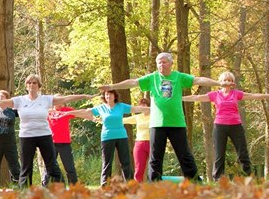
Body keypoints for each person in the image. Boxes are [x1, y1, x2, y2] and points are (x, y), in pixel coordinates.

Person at [99, 52, 223, 182]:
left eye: (164, 62)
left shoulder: (179, 77)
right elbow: (134, 82)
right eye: (159, 62)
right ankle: (155, 183)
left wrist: (219, 84)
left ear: (171, 63)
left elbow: (198, 80)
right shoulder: (152, 78)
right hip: (157, 124)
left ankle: (195, 181)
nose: (161, 65)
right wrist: (113, 86)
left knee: (185, 155)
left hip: (177, 123)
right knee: (155, 157)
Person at [0, 74, 95, 187]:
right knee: (26, 167)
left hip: (44, 135)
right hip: (26, 136)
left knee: (52, 165)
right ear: (26, 86)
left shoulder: (46, 99)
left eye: (34, 82)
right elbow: (0, 101)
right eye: (29, 83)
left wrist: (84, 96)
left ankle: (60, 188)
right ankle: (25, 191)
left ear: (39, 86)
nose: (31, 85)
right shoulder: (19, 100)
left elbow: (66, 99)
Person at [183, 71, 269, 180]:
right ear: (220, 82)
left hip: (236, 126)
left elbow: (254, 95)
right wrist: (180, 98)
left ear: (233, 83)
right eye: (225, 80)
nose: (228, 82)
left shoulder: (236, 94)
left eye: (230, 80)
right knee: (219, 155)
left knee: (243, 154)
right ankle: (218, 180)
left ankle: (248, 178)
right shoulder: (215, 95)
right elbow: (197, 98)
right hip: (220, 127)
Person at [65, 90, 149, 186]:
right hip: (107, 137)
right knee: (107, 163)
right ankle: (105, 185)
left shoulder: (121, 106)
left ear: (115, 96)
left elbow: (137, 109)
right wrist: (69, 113)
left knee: (125, 162)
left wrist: (153, 108)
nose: (108, 96)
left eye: (110, 94)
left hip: (121, 136)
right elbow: (86, 112)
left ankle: (130, 185)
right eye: (106, 95)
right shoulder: (101, 108)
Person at [45, 95, 78, 186]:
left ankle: (74, 187)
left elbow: (77, 113)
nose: (57, 102)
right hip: (52, 143)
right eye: (56, 100)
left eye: (60, 100)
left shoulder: (66, 110)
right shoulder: (49, 112)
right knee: (49, 166)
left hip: (65, 143)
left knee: (69, 167)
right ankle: (45, 186)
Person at [122, 98, 151, 182]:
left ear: (148, 106)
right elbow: (124, 120)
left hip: (152, 143)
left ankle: (154, 186)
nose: (143, 108)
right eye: (141, 107)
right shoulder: (138, 117)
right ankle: (137, 186)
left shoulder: (155, 115)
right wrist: (106, 120)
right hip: (139, 144)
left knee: (154, 166)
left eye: (144, 106)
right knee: (139, 167)